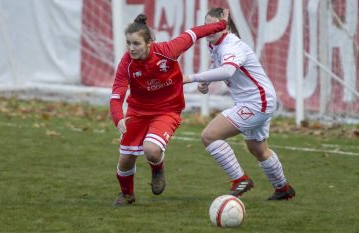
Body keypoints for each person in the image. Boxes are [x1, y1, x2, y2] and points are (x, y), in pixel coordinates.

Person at [110, 10, 230, 206]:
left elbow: (194, 33)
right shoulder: (126, 63)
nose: (131, 48)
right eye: (129, 43)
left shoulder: (167, 50)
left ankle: (157, 169)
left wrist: (221, 25)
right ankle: (127, 195)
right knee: (125, 159)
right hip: (137, 112)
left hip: (167, 110)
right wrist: (118, 118)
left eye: (136, 44)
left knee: (151, 150)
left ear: (149, 43)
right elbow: (116, 95)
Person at [183, 8, 295, 200]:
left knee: (209, 136)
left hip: (256, 102)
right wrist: (207, 81)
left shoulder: (231, 45)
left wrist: (192, 77)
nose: (209, 30)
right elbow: (218, 63)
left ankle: (240, 179)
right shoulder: (217, 43)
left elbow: (227, 71)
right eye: (206, 25)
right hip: (260, 100)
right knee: (258, 149)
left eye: (214, 26)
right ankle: (283, 189)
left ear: (223, 26)